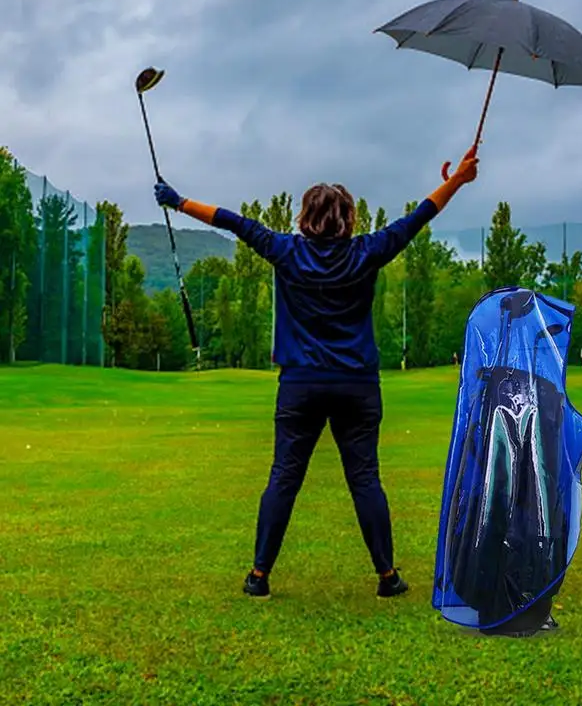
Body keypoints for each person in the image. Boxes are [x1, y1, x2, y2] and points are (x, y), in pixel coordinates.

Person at [153, 145, 479, 600]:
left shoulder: (284, 250)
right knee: (365, 478)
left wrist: (177, 200)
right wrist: (458, 180)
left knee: (283, 476)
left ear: (305, 216)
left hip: (301, 385)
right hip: (357, 386)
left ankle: (259, 576)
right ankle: (387, 577)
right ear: (348, 217)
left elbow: (229, 219)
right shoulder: (368, 250)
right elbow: (420, 216)